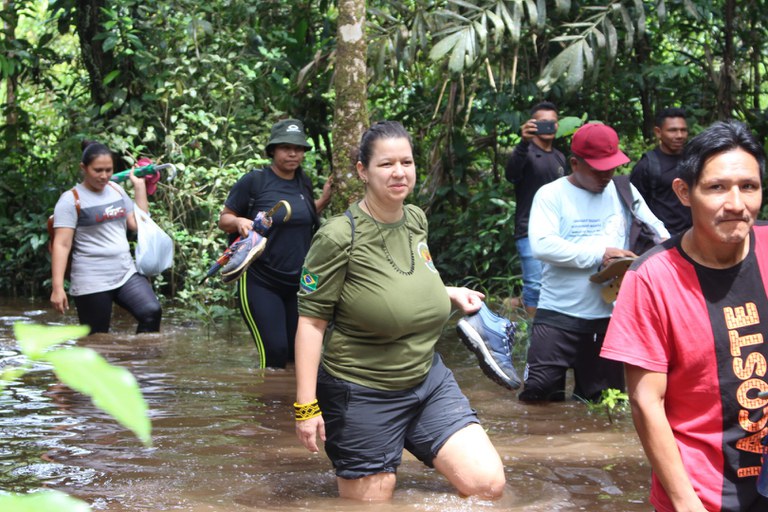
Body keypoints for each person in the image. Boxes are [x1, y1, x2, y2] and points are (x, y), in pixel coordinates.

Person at [294, 121, 505, 501]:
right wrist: (306, 408)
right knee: (372, 504)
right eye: (386, 164)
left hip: (427, 380)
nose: (398, 172)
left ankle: (406, 438)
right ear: (362, 171)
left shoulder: (415, 219)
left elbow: (406, 279)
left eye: (406, 162)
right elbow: (311, 323)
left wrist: (449, 292)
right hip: (361, 390)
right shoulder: (337, 237)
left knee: (486, 485)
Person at [601, 120, 768, 512]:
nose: (736, 204)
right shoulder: (653, 278)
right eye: (716, 187)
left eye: (749, 186)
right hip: (703, 493)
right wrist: (684, 502)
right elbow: (646, 402)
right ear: (684, 192)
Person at [520, 123, 669, 403]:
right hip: (557, 316)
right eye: (598, 169)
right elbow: (542, 245)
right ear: (575, 163)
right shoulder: (551, 195)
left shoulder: (624, 190)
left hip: (608, 319)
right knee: (537, 398)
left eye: (611, 168)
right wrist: (600, 255)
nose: (606, 176)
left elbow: (660, 232)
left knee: (602, 403)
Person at [218, 119, 331, 368]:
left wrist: (322, 200)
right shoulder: (255, 181)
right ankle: (265, 407)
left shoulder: (304, 182)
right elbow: (224, 219)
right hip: (260, 279)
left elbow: (300, 217)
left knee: (296, 353)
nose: (293, 153)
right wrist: (239, 222)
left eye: (298, 148)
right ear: (272, 150)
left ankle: (287, 407)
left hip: (297, 283)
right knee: (275, 353)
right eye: (285, 147)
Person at [50, 141, 162, 334]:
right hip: (91, 279)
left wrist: (139, 187)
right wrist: (57, 287)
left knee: (151, 311)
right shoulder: (71, 200)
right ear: (83, 168)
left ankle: (142, 362)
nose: (104, 176)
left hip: (124, 272)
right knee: (97, 339)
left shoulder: (116, 190)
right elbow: (62, 244)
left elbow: (137, 224)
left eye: (108, 170)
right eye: (98, 170)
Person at [505, 101, 567, 317]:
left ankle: (546, 324)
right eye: (542, 123)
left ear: (558, 126)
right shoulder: (525, 153)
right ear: (532, 124)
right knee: (535, 285)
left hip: (557, 230)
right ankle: (533, 331)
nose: (548, 127)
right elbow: (512, 175)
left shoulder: (560, 157)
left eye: (552, 122)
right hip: (528, 229)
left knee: (555, 284)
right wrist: (523, 143)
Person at [630, 107, 692, 235]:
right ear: (658, 132)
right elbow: (633, 206)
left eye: (683, 130)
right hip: (663, 239)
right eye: (673, 131)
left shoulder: (693, 160)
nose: (679, 135)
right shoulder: (647, 166)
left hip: (694, 236)